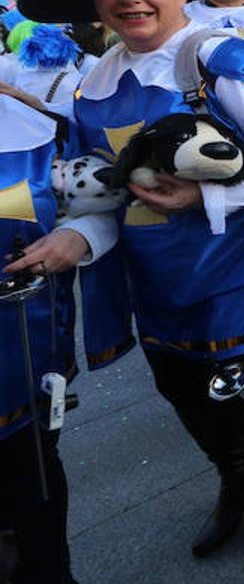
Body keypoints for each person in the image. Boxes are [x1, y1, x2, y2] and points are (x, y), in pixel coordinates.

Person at [17, 0, 244, 567]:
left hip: (227, 269)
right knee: (184, 394)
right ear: (94, 5)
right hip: (150, 279)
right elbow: (101, 191)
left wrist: (209, 197)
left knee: (240, 393)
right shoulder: (91, 84)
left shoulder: (216, 55)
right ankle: (238, 486)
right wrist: (73, 234)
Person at [0, 94, 117, 584]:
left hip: (20, 371)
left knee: (34, 502)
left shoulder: (34, 128)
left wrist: (83, 234)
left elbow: (96, 200)